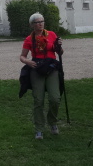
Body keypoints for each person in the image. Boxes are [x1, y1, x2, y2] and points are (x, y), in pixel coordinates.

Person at [19, 12, 63, 140]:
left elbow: (59, 52)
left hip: (51, 68)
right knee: (38, 100)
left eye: (42, 21)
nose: (40, 24)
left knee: (55, 98)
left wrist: (59, 46)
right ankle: (39, 128)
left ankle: (52, 122)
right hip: (36, 69)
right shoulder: (29, 39)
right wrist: (27, 61)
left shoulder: (52, 35)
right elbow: (22, 56)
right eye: (37, 22)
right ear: (32, 25)